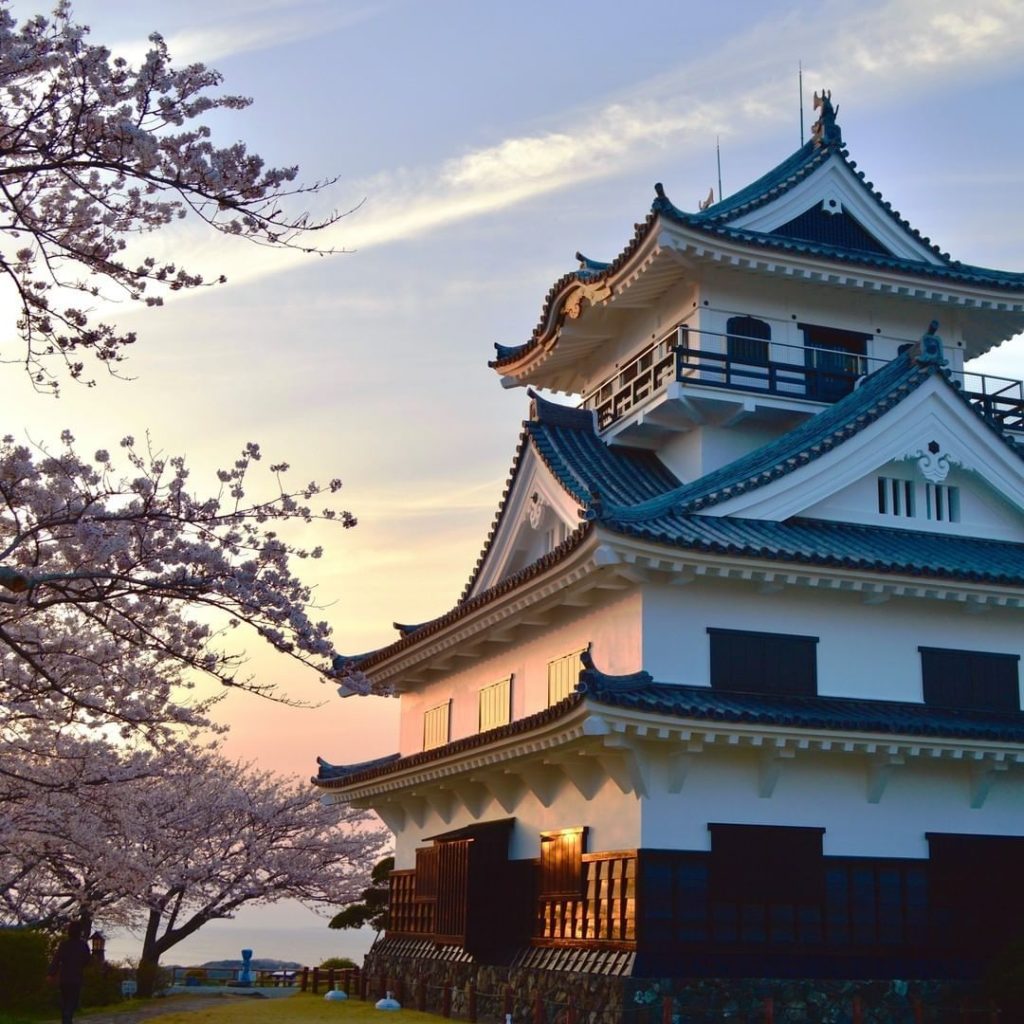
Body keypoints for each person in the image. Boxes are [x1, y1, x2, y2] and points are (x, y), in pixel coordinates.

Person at [48, 921, 92, 1024]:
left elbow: (56, 959)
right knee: (72, 1001)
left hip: (64, 977)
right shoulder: (83, 945)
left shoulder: (64, 945)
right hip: (76, 977)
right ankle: (67, 1018)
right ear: (80, 932)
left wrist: (51, 973)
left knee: (65, 1000)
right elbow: (87, 961)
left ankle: (65, 1019)